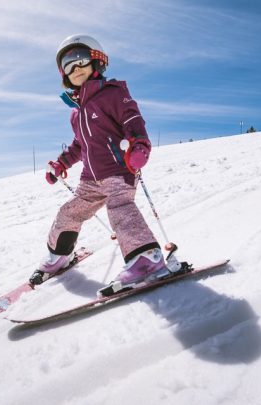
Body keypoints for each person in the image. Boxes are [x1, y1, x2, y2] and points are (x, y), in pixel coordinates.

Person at [34, 34, 179, 296]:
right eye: (67, 64)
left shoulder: (113, 93)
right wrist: (60, 164)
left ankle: (146, 259)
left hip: (118, 172)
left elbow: (133, 121)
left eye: (79, 59)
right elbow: (79, 145)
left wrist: (139, 147)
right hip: (90, 178)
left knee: (119, 207)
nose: (74, 68)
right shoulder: (76, 112)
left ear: (97, 61)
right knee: (69, 212)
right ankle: (60, 256)